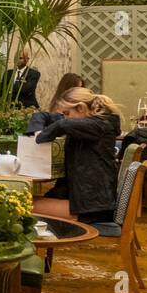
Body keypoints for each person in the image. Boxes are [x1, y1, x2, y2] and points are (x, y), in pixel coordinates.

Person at [28, 88, 122, 224]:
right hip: (86, 201)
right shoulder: (83, 120)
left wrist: (42, 137)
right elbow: (42, 116)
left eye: (67, 113)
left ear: (81, 108)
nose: (64, 116)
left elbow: (62, 123)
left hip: (93, 207)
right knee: (25, 201)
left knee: (22, 205)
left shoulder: (100, 125)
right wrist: (36, 130)